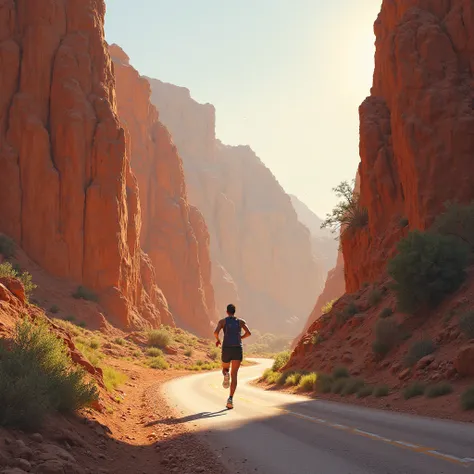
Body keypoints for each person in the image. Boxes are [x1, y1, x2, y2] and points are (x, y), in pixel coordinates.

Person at [214, 303, 251, 409]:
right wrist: (240, 338)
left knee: (225, 369)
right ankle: (230, 399)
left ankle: (226, 374)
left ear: (227, 312)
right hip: (237, 349)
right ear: (234, 312)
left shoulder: (222, 321)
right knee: (234, 374)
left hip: (226, 348)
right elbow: (249, 333)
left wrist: (218, 340)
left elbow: (215, 332)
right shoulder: (240, 322)